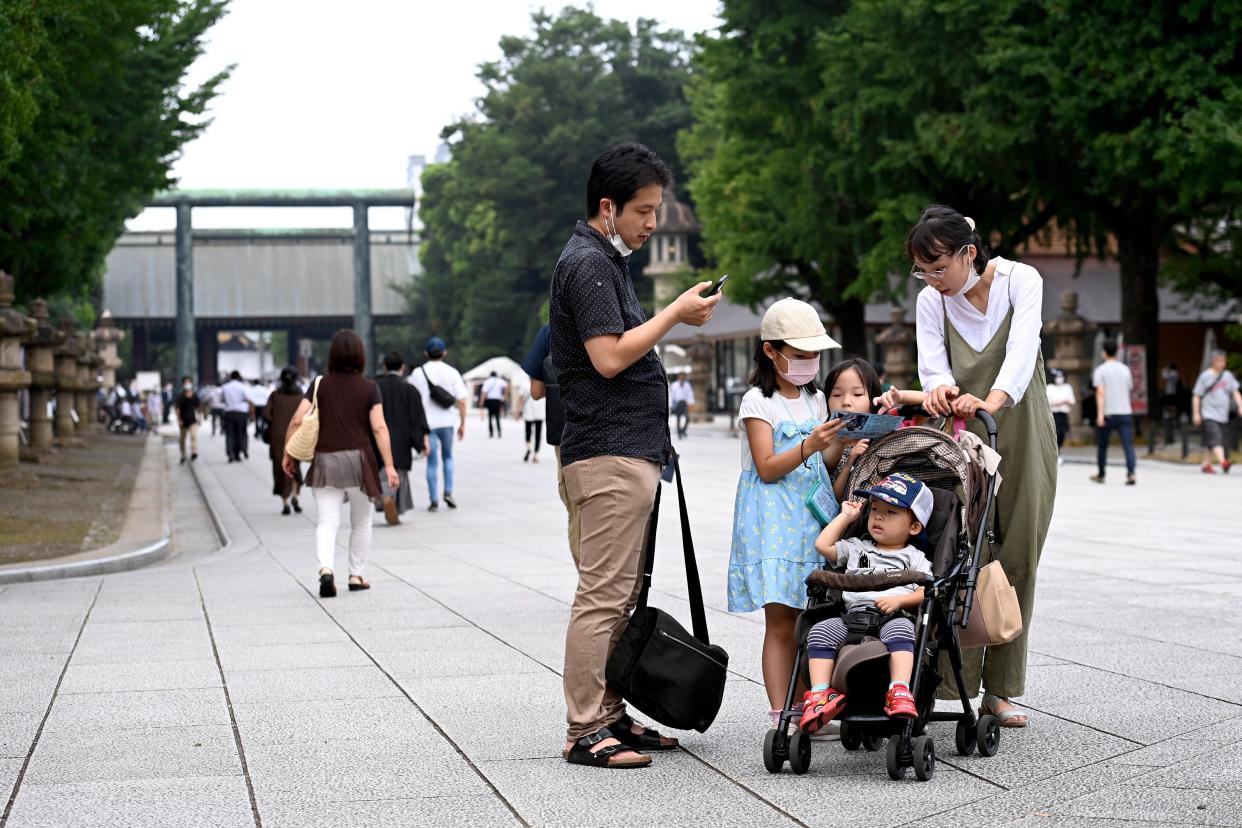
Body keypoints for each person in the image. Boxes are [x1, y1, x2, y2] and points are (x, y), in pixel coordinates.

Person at [551, 142, 720, 769]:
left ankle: (612, 715)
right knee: (603, 594)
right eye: (644, 211)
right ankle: (585, 728)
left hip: (623, 451)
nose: (652, 223)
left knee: (620, 593)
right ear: (607, 207)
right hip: (608, 453)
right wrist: (675, 311)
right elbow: (609, 356)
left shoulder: (605, 260)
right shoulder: (590, 264)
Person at [875, 204, 1056, 728]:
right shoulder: (933, 301)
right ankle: (956, 679)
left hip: (1019, 427)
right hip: (960, 436)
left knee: (1017, 552)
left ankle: (1001, 689)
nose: (932, 280)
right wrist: (942, 392)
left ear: (968, 253)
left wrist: (991, 402)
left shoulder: (1022, 280)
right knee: (962, 549)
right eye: (922, 270)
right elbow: (934, 367)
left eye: (939, 267)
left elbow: (1022, 351)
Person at [728, 298, 843, 730]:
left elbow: (823, 461)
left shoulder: (815, 400)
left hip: (809, 514)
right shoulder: (758, 402)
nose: (809, 362)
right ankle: (783, 713)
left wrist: (846, 443)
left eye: (814, 354)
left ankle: (808, 704)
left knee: (808, 616)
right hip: (772, 518)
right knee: (780, 620)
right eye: (799, 355)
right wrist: (810, 445)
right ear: (771, 351)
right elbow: (767, 467)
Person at [799, 474, 934, 733]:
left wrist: (899, 600)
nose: (878, 517)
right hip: (853, 615)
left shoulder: (913, 557)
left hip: (893, 615)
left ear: (914, 527)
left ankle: (899, 689)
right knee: (818, 633)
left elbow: (925, 591)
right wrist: (846, 517)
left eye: (890, 512)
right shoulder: (857, 548)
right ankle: (819, 694)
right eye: (874, 510)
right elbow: (822, 545)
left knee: (903, 632)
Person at [283, 330, 399, 597]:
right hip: (360, 461)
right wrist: (390, 465)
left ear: (332, 355)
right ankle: (356, 575)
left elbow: (298, 420)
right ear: (361, 356)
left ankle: (326, 569)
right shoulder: (370, 387)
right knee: (361, 521)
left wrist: (288, 454)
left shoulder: (319, 384)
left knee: (327, 521)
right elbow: (380, 428)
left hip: (325, 459)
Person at [522, 324, 579, 558]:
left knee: (578, 512)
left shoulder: (550, 332)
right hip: (613, 430)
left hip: (566, 431)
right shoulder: (619, 319)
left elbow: (536, 392)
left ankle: (588, 586)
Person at [408, 337, 467, 512]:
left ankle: (433, 499)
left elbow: (412, 401)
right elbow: (462, 401)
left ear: (426, 353)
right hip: (448, 422)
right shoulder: (452, 372)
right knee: (448, 457)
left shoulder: (418, 374)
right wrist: (463, 424)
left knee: (431, 462)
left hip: (427, 425)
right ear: (444, 353)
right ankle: (448, 491)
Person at [375, 351, 430, 523]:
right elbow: (418, 418)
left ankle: (385, 496)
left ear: (384, 367)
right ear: (402, 367)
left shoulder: (375, 387)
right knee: (399, 473)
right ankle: (394, 504)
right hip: (402, 439)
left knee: (382, 470)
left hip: (379, 438)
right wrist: (422, 440)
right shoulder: (410, 389)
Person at [820, 357, 882, 502]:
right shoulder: (820, 437)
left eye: (858, 394)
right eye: (836, 395)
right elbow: (831, 498)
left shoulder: (884, 437)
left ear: (873, 399)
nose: (846, 402)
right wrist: (848, 461)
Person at [1090, 340, 1136, 485]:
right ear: (1116, 352)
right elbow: (1130, 388)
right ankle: (1131, 473)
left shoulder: (1100, 370)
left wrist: (1100, 415)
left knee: (1103, 446)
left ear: (1104, 352)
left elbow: (1100, 393)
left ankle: (1101, 473)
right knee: (1128, 445)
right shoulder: (1125, 369)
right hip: (1125, 411)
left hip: (1108, 413)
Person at [1193, 349, 1242, 474]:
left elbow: (1235, 391)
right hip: (1209, 413)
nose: (1222, 363)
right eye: (1219, 360)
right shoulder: (1205, 376)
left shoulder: (1227, 376)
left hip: (1223, 414)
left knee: (1213, 441)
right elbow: (1196, 395)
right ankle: (1223, 462)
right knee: (1216, 437)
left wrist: (1240, 405)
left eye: (1223, 360)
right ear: (1213, 361)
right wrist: (1196, 413)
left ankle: (1206, 464)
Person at [265, 367, 305, 515]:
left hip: (278, 436)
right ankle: (295, 495)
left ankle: (285, 502)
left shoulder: (275, 395)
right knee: (295, 465)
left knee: (281, 467)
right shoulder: (301, 396)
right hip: (296, 435)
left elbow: (266, 414)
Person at [221, 371, 252, 463]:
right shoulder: (243, 387)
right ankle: (238, 453)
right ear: (239, 377)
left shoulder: (225, 387)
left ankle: (230, 453)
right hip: (241, 413)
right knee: (240, 434)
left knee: (230, 434)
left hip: (229, 413)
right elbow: (249, 399)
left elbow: (221, 399)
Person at [1046, 368, 1076, 465]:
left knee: (1062, 435)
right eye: (1057, 377)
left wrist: (1060, 402)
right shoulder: (1049, 387)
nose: (1059, 379)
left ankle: (1058, 454)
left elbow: (1072, 401)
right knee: (1054, 434)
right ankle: (1054, 454)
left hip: (1063, 414)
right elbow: (1049, 403)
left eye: (1061, 377)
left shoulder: (1067, 387)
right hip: (1054, 414)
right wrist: (1063, 401)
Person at [174, 376, 201, 465]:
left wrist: (200, 418)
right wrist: (179, 419)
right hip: (183, 421)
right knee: (182, 439)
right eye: (185, 383)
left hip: (193, 420)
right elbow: (177, 409)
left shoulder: (194, 396)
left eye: (188, 382)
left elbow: (198, 408)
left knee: (194, 436)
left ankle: (194, 452)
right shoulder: (180, 396)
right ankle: (183, 455)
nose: (187, 385)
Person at [518, 382, 545, 463]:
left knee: (528, 432)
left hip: (528, 411)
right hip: (540, 411)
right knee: (538, 434)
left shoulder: (524, 384)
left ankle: (529, 448)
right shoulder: (542, 384)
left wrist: (518, 410)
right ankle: (535, 455)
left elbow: (521, 399)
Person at [668, 373, 695, 438]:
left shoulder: (687, 385)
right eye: (680, 377)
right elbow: (672, 395)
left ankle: (683, 430)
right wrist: (671, 404)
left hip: (685, 403)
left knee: (687, 418)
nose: (682, 378)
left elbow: (690, 394)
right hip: (678, 403)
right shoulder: (674, 385)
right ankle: (679, 433)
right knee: (678, 418)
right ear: (678, 378)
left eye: (683, 377)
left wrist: (691, 402)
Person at [482, 371, 508, 438]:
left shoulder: (487, 381)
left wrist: (482, 401)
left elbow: (484, 392)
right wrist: (504, 395)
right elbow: (506, 385)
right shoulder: (500, 381)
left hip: (490, 400)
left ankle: (491, 433)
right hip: (497, 400)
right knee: (497, 417)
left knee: (490, 417)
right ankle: (499, 432)